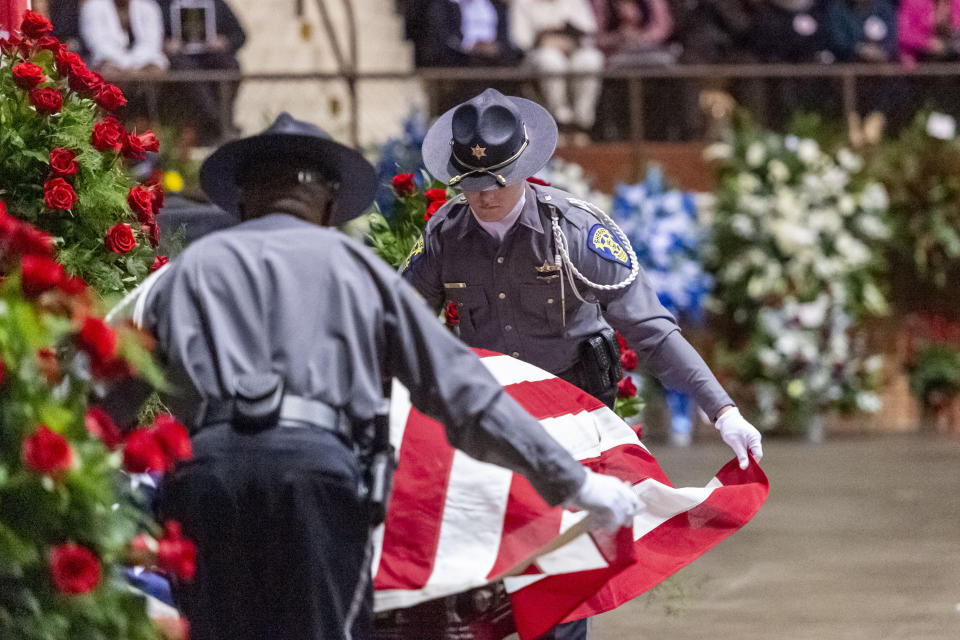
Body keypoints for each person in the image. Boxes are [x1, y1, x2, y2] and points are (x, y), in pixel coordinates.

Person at [122, 113, 639, 640]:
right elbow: (462, 393)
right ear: (326, 205)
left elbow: (103, 385)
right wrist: (572, 482)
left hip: (208, 477)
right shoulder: (358, 270)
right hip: (315, 480)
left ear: (244, 199)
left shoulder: (184, 273)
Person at [398, 88, 764, 639]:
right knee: (487, 582)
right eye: (470, 185)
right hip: (489, 422)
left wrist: (723, 409)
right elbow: (397, 321)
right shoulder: (447, 236)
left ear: (522, 169)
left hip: (573, 424)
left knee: (561, 584)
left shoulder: (573, 233)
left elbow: (652, 331)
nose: (483, 197)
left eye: (495, 181)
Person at [509, 0, 604, 144]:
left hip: (573, 51)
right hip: (537, 55)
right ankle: (560, 123)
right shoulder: (522, 3)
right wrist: (545, 41)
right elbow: (520, 41)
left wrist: (567, 43)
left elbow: (588, 34)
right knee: (550, 60)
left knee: (591, 59)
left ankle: (580, 125)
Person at [157, 0, 246, 141]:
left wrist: (224, 42)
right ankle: (217, 122)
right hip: (180, 61)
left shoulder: (217, 5)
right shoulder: (163, 6)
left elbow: (240, 35)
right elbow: (147, 37)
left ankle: (220, 122)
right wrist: (164, 44)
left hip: (211, 57)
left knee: (229, 65)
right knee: (186, 71)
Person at [79, 0, 168, 72]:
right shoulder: (92, 6)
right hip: (108, 61)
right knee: (108, 70)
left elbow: (152, 43)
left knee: (155, 69)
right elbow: (98, 44)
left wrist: (133, 65)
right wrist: (124, 64)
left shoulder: (149, 6)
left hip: (143, 62)